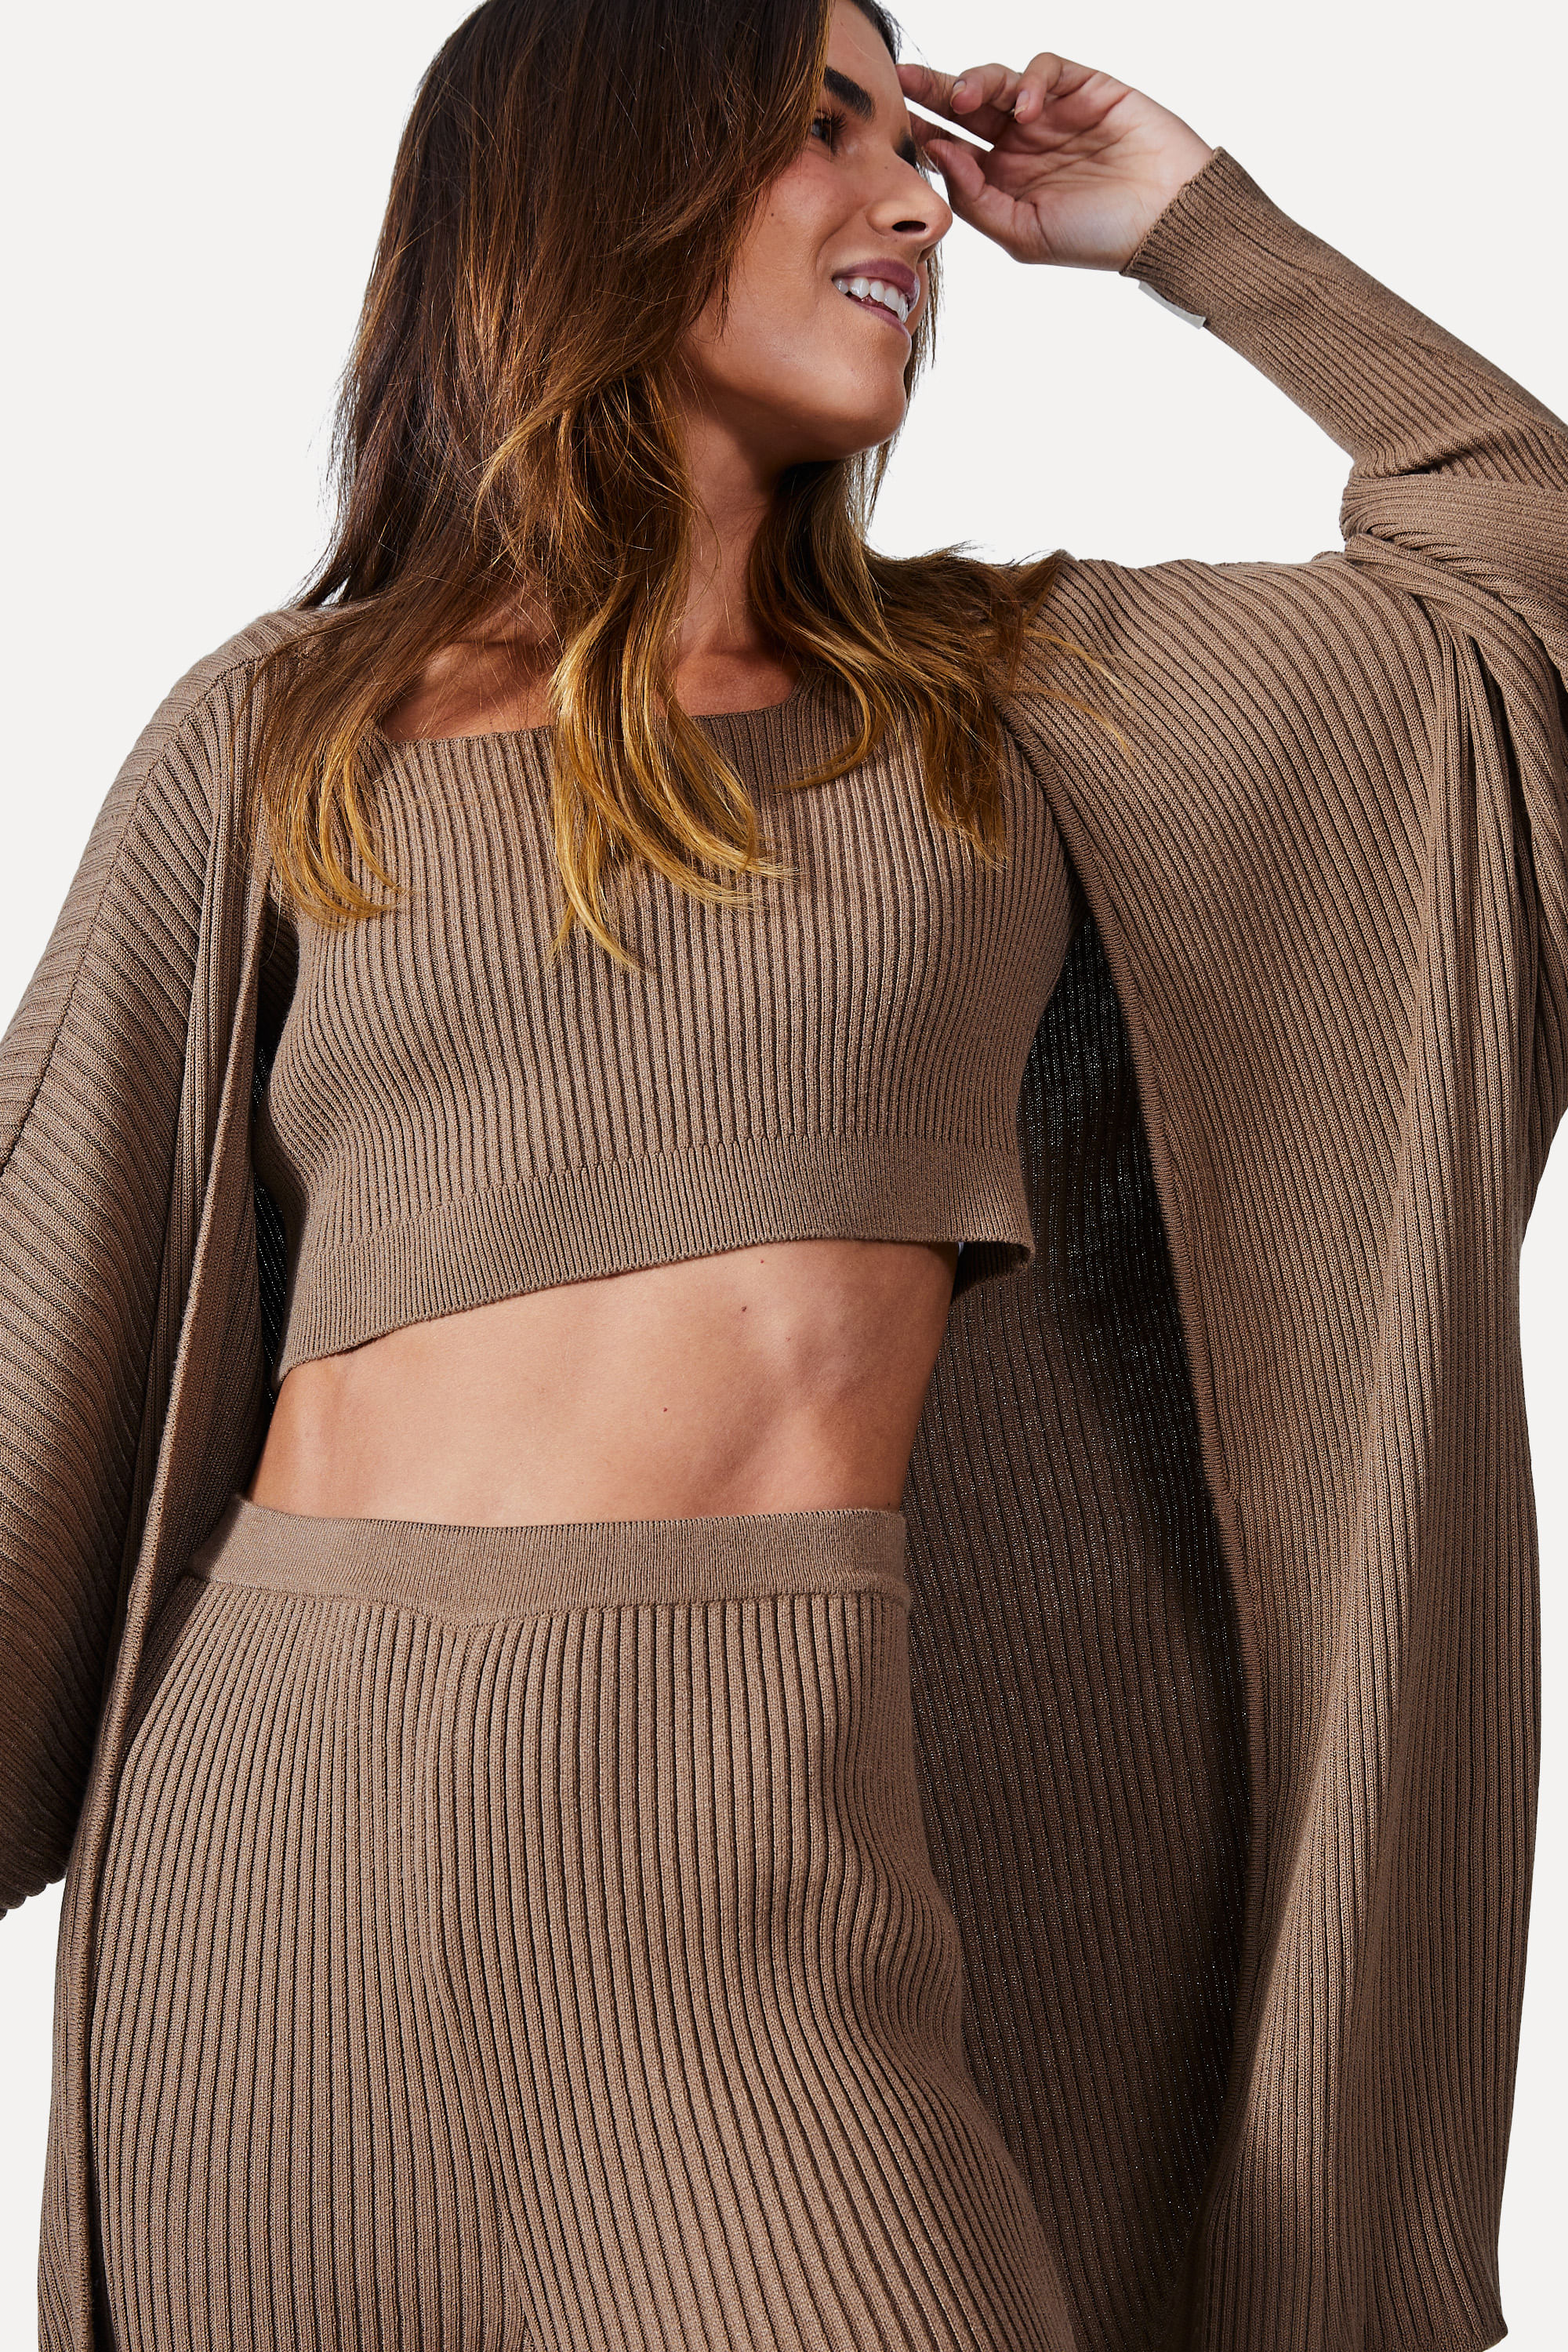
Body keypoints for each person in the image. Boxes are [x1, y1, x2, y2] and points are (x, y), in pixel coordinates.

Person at [4, 2, 1565, 2348]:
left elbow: (1525, 584)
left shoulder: (1004, 703)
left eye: (904, 135)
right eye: (818, 130)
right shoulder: (287, 724)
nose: (915, 194)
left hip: (760, 1820)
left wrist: (1195, 232)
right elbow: (45, 1267)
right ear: (601, 182)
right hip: (287, 1824)